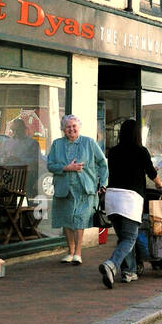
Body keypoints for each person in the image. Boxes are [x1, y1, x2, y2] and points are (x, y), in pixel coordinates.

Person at [100, 119, 162, 289]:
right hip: (129, 199)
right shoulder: (141, 151)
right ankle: (111, 264)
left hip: (112, 198)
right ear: (137, 134)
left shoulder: (113, 151)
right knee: (130, 237)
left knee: (123, 238)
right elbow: (151, 172)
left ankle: (129, 271)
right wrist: (160, 184)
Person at [46, 114, 108, 265]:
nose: (71, 129)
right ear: (63, 129)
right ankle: (70, 251)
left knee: (80, 219)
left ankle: (78, 253)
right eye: (68, 127)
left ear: (79, 127)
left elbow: (102, 163)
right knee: (67, 219)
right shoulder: (57, 144)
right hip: (64, 188)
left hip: (84, 188)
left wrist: (103, 183)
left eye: (74, 126)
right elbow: (50, 165)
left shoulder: (89, 142)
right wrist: (66, 168)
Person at [2, 118, 42, 198]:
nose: (15, 132)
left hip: (26, 175)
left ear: (24, 129)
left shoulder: (32, 143)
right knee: (3, 189)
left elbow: (36, 160)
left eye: (17, 129)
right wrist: (5, 159)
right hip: (9, 174)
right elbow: (1, 157)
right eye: (13, 130)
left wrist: (19, 159)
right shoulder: (7, 142)